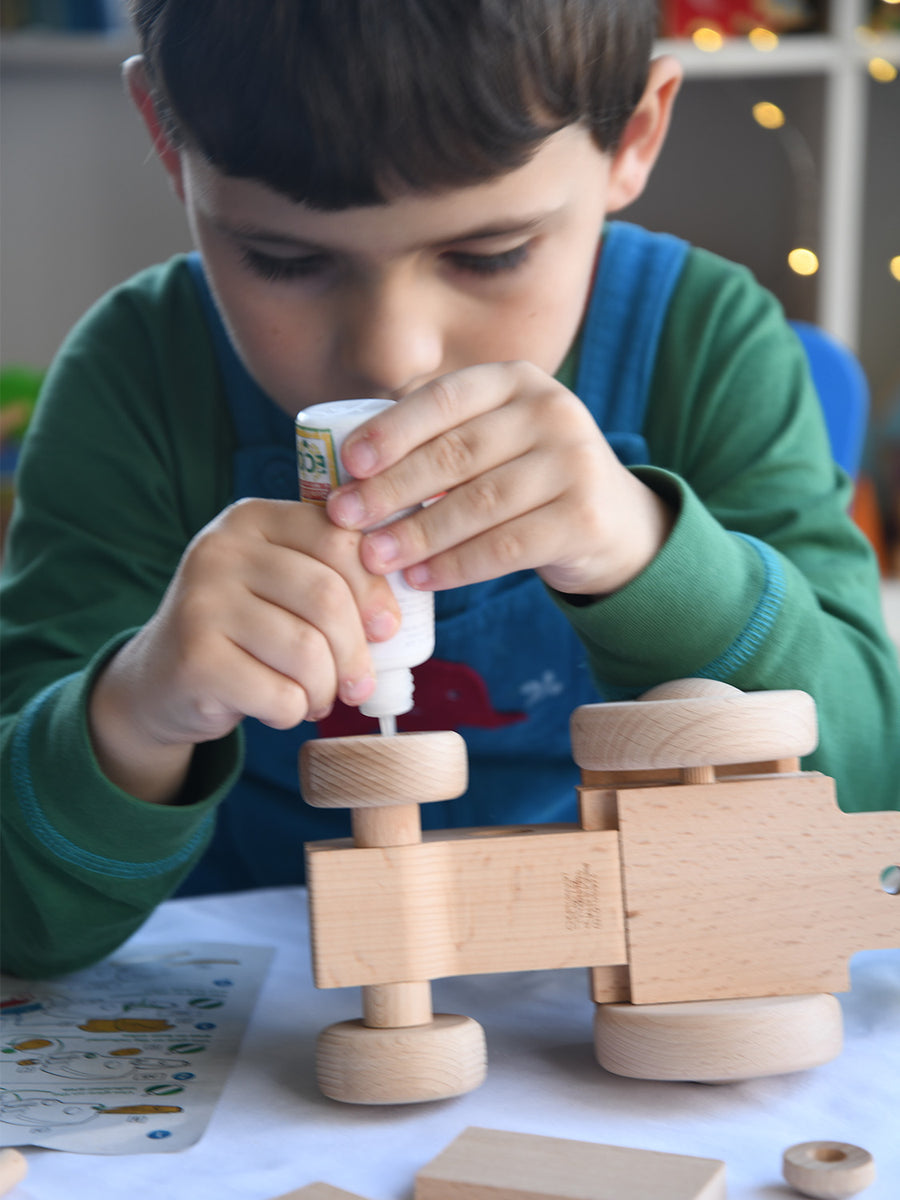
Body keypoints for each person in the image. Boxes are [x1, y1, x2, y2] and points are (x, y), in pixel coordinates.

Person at [2, 0, 898, 980]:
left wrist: (651, 557)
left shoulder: (707, 345)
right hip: (258, 1028)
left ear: (633, 136)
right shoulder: (137, 381)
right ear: (166, 143)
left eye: (489, 255)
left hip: (602, 995)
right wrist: (135, 711)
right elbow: (20, 921)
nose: (394, 355)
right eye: (286, 259)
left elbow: (868, 820)